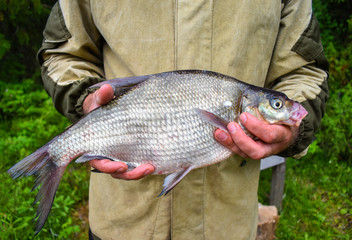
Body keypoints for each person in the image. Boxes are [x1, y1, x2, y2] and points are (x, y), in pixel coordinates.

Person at [37, 1, 328, 239]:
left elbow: (304, 70)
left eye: (275, 104)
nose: (283, 108)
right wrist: (85, 99)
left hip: (228, 225)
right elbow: (62, 53)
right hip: (122, 223)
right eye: (276, 105)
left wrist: (292, 129)